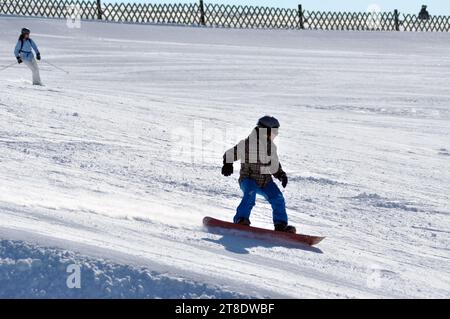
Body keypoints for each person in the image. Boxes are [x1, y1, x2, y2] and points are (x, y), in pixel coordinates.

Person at [221, 116, 296, 233]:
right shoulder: (247, 144)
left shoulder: (271, 147)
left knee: (278, 198)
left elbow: (274, 165)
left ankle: (280, 224)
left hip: (265, 181)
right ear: (264, 131)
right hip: (248, 179)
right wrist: (227, 163)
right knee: (250, 194)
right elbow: (230, 153)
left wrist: (281, 175)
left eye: (277, 132)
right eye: (274, 132)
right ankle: (241, 219)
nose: (275, 135)